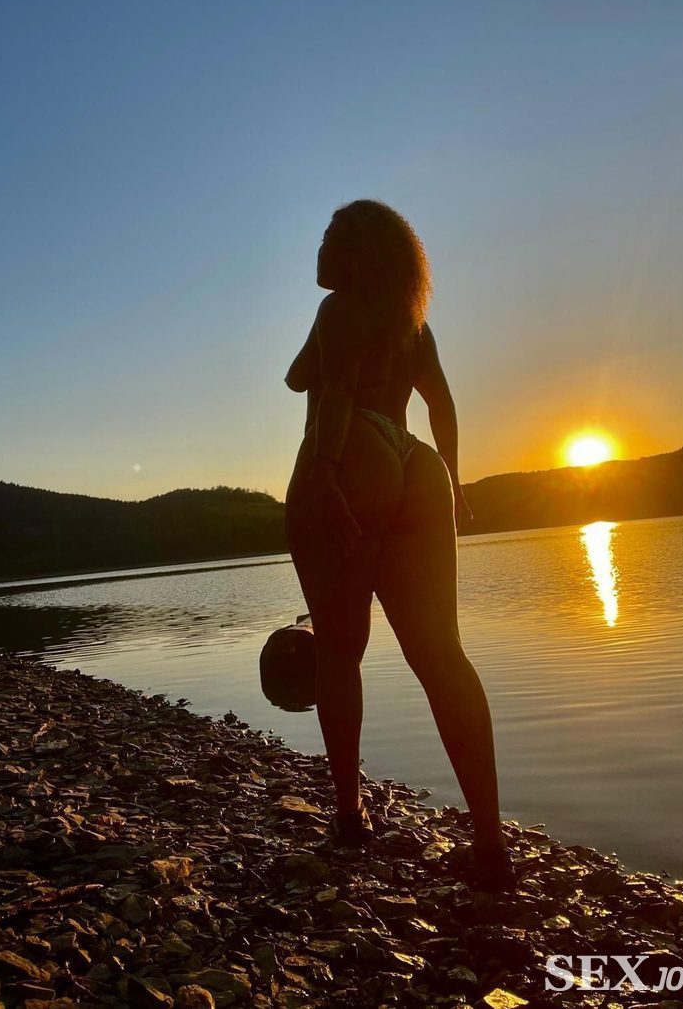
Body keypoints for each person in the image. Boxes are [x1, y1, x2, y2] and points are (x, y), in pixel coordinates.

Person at [283, 199, 516, 893]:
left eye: (331, 237)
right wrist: (456, 480)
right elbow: (440, 403)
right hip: (418, 465)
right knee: (441, 653)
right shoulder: (414, 324)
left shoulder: (336, 310)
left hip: (352, 449)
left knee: (339, 649)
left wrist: (326, 472)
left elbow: (330, 392)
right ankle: (489, 843)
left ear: (359, 254)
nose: (319, 247)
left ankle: (350, 815)